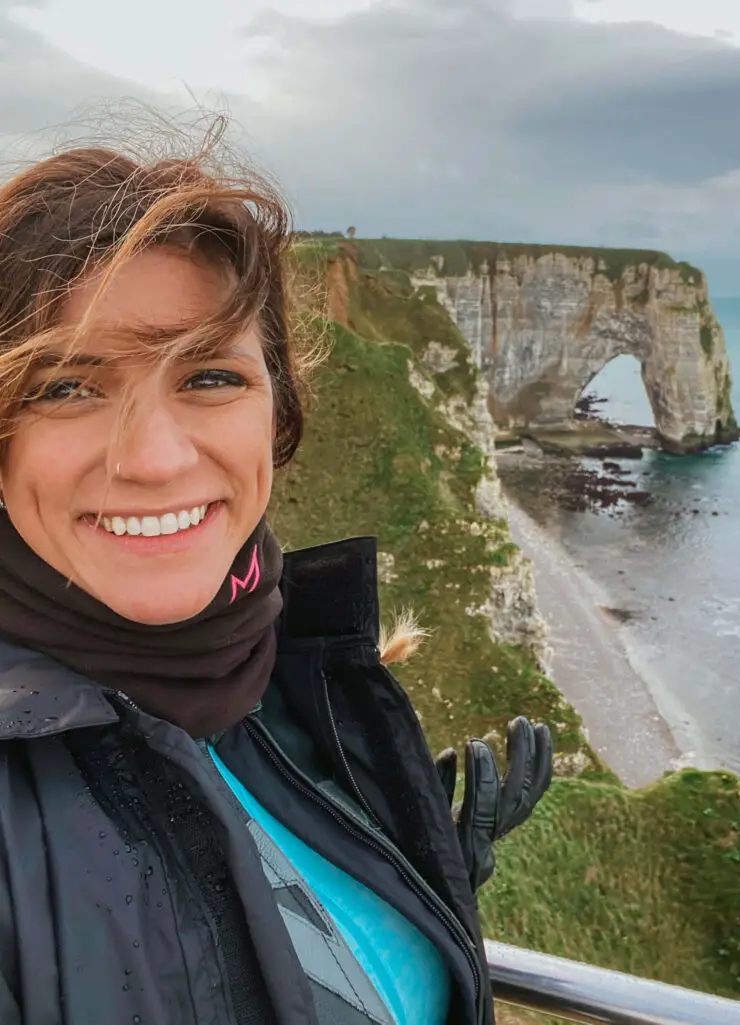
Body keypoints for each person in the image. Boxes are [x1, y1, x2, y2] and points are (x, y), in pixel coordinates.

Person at [0, 124, 552, 1025]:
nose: (152, 457)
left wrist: (410, 881)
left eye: (209, 377)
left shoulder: (285, 681)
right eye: (67, 386)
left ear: (277, 412)